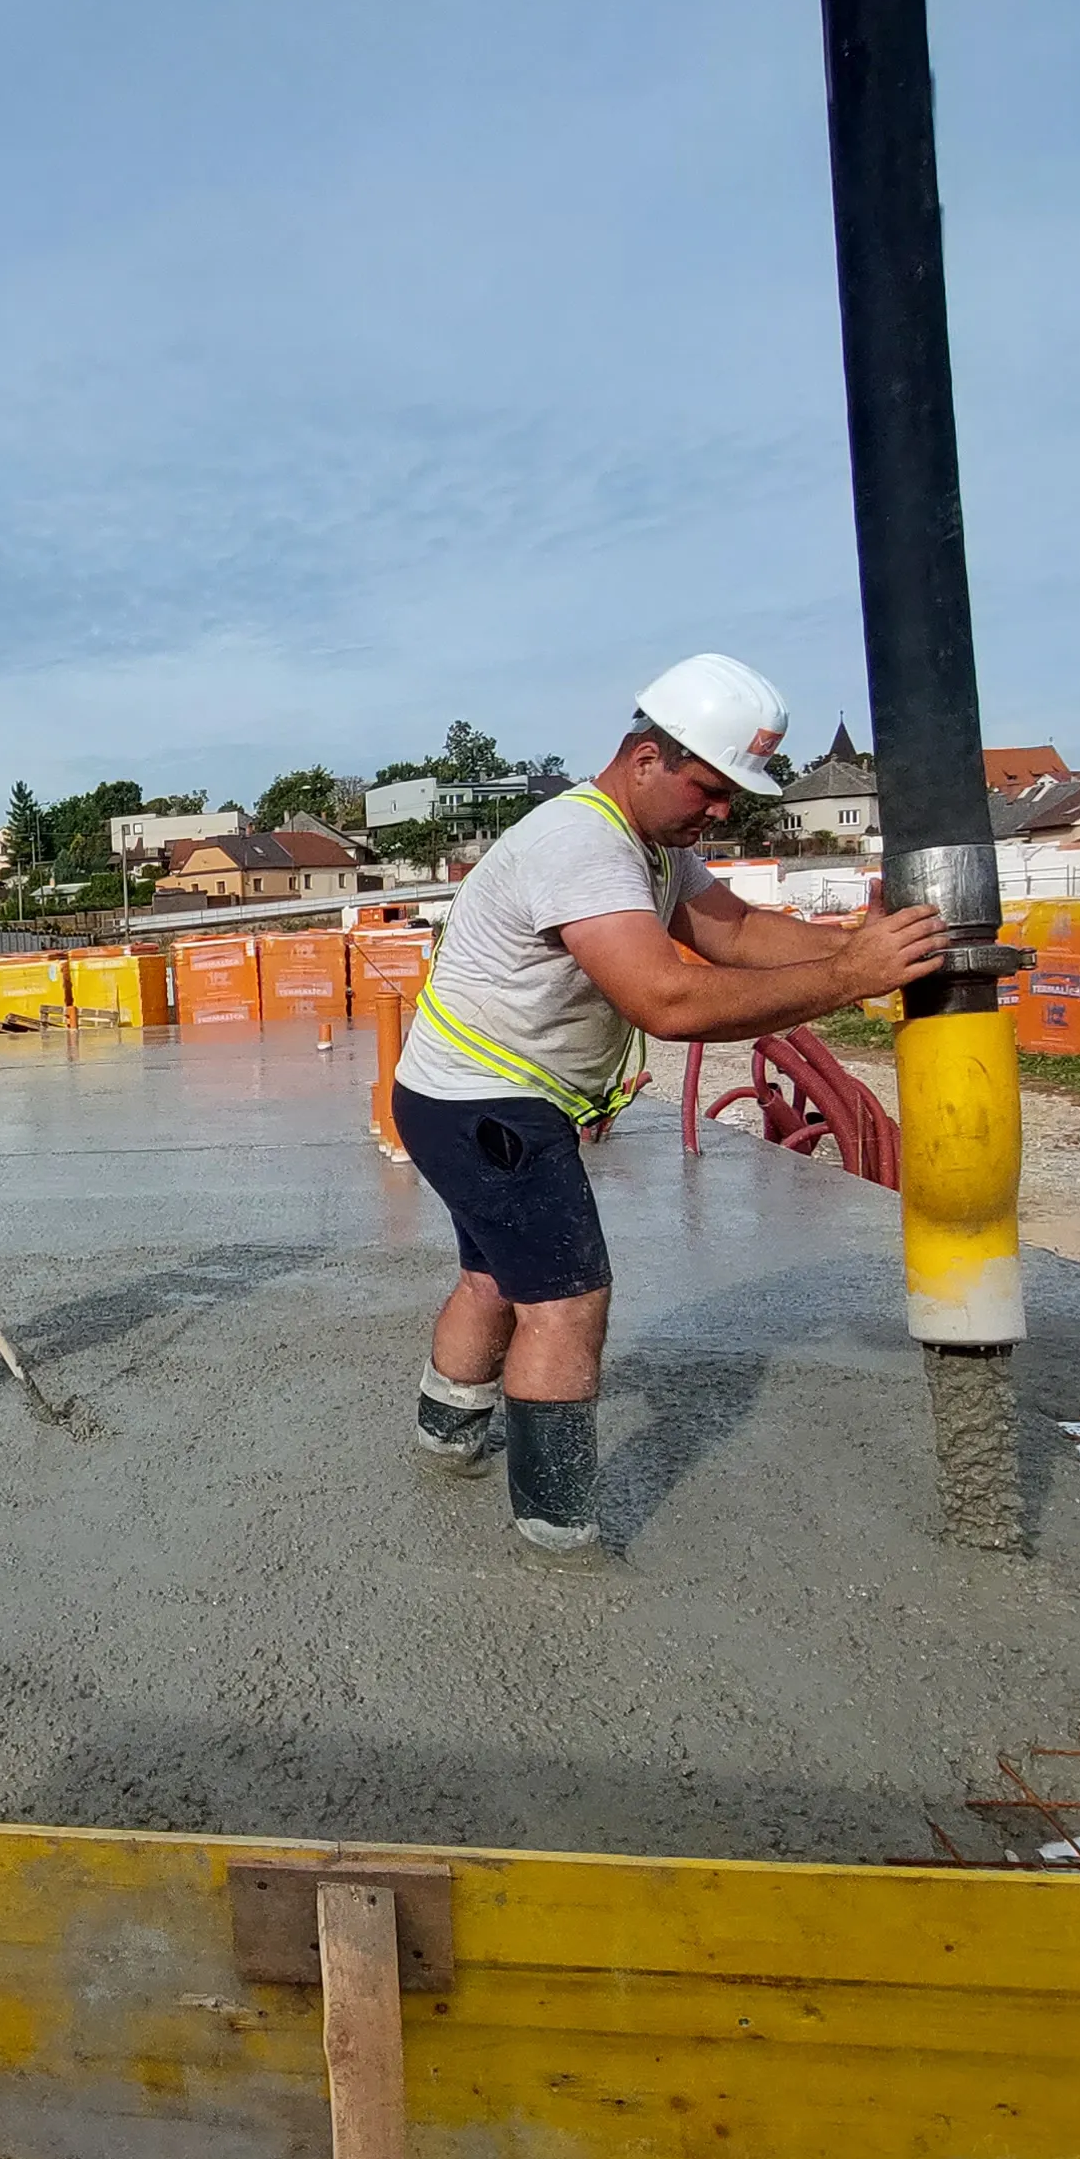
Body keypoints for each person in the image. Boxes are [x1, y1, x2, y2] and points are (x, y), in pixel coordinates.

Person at [390, 653, 950, 1561]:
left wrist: (864, 948)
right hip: (487, 1103)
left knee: (500, 1276)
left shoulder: (652, 846)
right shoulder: (582, 844)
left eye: (735, 792)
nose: (723, 810)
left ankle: (446, 1434)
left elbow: (731, 932)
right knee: (567, 1303)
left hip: (465, 1095)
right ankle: (556, 1526)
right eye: (711, 786)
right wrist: (850, 977)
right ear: (645, 756)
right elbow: (669, 1001)